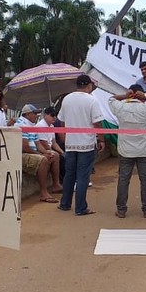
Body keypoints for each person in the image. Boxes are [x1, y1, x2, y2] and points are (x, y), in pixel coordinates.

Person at [108, 84, 146, 218]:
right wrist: (145, 96)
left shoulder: (121, 107)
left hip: (125, 150)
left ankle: (121, 210)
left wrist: (124, 96)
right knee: (145, 180)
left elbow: (111, 99)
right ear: (140, 94)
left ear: (129, 93)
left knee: (123, 180)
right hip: (145, 150)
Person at [58, 75, 105, 216]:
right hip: (86, 144)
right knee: (83, 176)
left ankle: (65, 204)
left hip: (71, 144)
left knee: (69, 175)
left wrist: (66, 137)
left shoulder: (67, 99)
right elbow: (97, 123)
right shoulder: (92, 100)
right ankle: (81, 208)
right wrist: (101, 139)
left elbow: (62, 121)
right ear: (89, 85)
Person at [16, 104, 61, 203]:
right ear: (27, 114)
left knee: (54, 155)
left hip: (31, 152)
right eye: (35, 113)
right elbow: (24, 147)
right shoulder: (21, 124)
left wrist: (46, 152)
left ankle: (56, 185)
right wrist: (40, 154)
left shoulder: (32, 125)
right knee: (43, 159)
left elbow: (38, 143)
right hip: (22, 154)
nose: (37, 115)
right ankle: (43, 193)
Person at [36, 106, 65, 181]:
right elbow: (43, 143)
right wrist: (56, 152)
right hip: (42, 149)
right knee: (59, 158)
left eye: (55, 115)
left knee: (64, 156)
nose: (54, 117)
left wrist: (62, 152)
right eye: (52, 115)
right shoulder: (41, 125)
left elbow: (54, 142)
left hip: (48, 148)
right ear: (45, 115)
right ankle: (62, 181)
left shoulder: (51, 126)